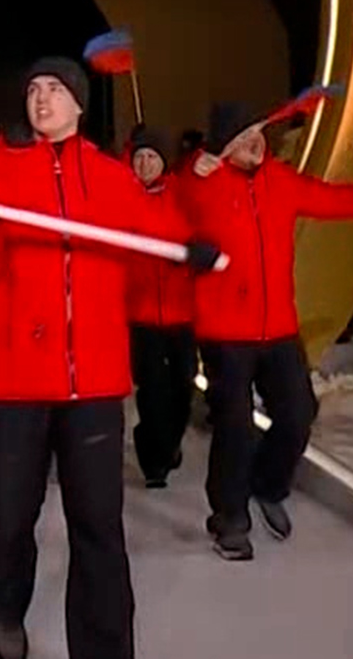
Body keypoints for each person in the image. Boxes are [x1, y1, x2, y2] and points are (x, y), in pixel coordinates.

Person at [0, 57, 219, 659]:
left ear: (78, 103)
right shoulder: (3, 174)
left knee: (98, 525)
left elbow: (158, 228)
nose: (42, 99)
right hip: (14, 380)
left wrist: (190, 250)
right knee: (10, 516)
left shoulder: (111, 177)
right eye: (33, 90)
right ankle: (7, 605)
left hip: (92, 383)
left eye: (55, 89)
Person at [179, 102, 353, 561]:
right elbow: (175, 199)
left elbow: (336, 201)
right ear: (224, 145)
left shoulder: (281, 181)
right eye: (244, 135)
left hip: (278, 329)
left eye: (259, 133)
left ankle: (268, 484)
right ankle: (229, 520)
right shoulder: (204, 183)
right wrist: (197, 171)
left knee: (298, 414)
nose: (255, 142)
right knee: (233, 426)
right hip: (224, 332)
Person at [124, 127, 197, 490]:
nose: (145, 163)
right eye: (139, 157)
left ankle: (169, 444)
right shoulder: (122, 196)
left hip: (181, 312)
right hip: (140, 315)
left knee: (183, 389)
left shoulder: (182, 195)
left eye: (152, 157)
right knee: (152, 392)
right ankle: (154, 460)